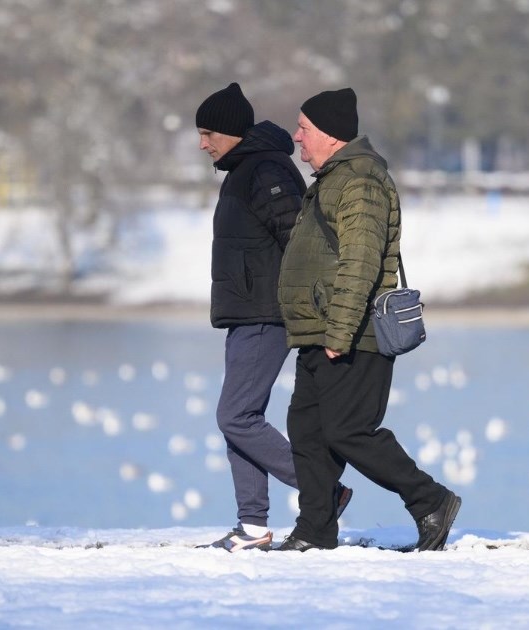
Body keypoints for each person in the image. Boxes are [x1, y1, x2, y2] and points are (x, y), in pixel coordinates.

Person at [274, 88, 460, 552]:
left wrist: (339, 332)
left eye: (304, 128)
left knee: (349, 430)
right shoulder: (335, 178)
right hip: (321, 330)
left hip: (353, 335)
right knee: (307, 430)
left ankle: (430, 500)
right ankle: (315, 530)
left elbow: (360, 260)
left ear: (331, 135)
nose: (296, 136)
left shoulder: (360, 181)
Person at [194, 83, 350, 552]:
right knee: (241, 416)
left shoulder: (265, 170)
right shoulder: (245, 168)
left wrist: (306, 307)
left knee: (235, 415)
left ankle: (322, 488)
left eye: (207, 133)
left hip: (266, 313)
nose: (203, 143)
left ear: (231, 131)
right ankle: (252, 525)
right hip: (246, 312)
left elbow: (297, 238)